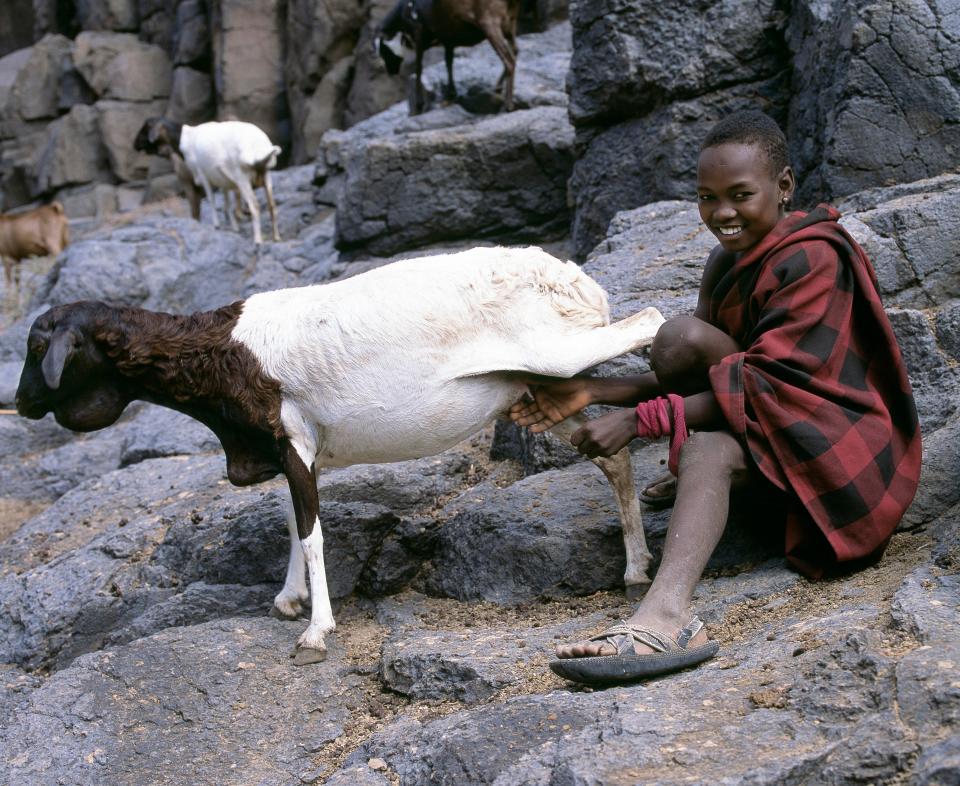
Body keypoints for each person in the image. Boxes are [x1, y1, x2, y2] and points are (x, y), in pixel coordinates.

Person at [510, 110, 922, 686]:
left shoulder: (814, 257)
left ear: (784, 188)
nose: (722, 213)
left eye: (740, 195)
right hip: (778, 431)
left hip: (836, 457)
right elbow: (717, 378)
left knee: (708, 448)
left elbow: (778, 386)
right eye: (707, 197)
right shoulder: (726, 260)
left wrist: (641, 420)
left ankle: (667, 616)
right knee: (682, 340)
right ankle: (703, 488)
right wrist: (591, 390)